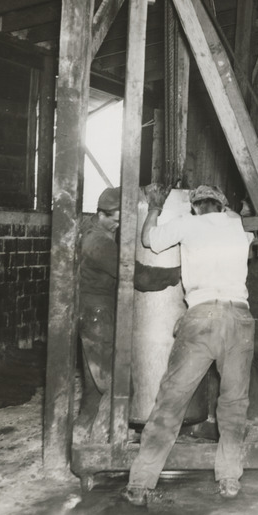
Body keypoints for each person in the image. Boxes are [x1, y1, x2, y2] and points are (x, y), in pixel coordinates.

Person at [122, 184, 256, 506]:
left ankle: (140, 484)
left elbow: (148, 241)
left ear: (195, 207)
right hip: (240, 318)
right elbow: (252, 233)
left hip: (201, 316)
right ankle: (228, 479)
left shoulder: (188, 223)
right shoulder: (239, 223)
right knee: (234, 403)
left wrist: (154, 206)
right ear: (222, 206)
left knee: (171, 401)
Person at [76, 186, 180, 444]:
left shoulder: (89, 230)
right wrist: (175, 273)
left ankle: (79, 440)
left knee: (93, 389)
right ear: (102, 214)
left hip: (91, 315)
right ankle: (107, 445)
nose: (120, 225)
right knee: (120, 387)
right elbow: (137, 276)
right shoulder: (98, 243)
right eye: (117, 220)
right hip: (98, 318)